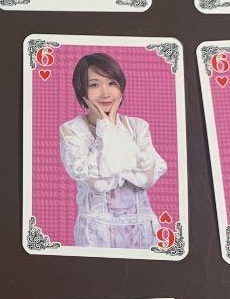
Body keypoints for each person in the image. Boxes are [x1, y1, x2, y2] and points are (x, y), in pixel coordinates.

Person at [59, 53, 166, 248]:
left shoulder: (138, 126)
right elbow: (94, 182)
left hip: (142, 230)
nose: (105, 93)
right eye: (94, 85)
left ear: (121, 87)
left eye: (112, 83)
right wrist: (105, 131)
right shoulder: (72, 130)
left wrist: (114, 137)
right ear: (81, 89)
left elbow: (147, 179)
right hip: (97, 234)